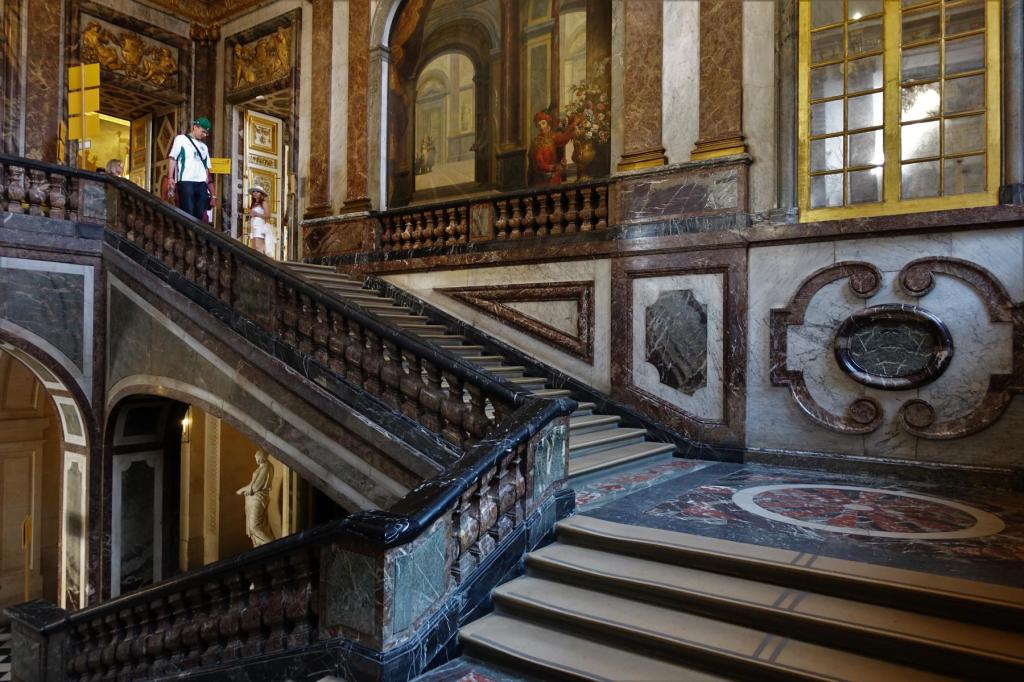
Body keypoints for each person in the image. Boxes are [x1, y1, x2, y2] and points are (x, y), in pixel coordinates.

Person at [167, 117, 216, 221]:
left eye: (206, 133)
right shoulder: (181, 139)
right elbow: (173, 158)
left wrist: (207, 183)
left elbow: (206, 166)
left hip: (201, 184)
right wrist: (170, 177)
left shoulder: (204, 147)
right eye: (203, 131)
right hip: (186, 181)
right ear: (195, 127)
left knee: (200, 213)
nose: (204, 135)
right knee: (188, 212)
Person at [236, 449, 275, 547]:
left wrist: (242, 490)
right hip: (252, 499)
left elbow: (256, 486)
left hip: (258, 499)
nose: (257, 460)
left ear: (263, 457)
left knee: (255, 526)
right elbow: (252, 485)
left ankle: (273, 546)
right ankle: (259, 547)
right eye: (256, 458)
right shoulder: (262, 467)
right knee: (254, 528)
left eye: (258, 458)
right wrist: (244, 489)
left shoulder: (266, 467)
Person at [529, 111, 576, 185]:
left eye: (543, 123)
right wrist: (554, 167)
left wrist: (574, 125)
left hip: (554, 176)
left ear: (547, 124)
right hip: (542, 179)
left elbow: (563, 138)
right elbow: (539, 165)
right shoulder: (536, 143)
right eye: (539, 125)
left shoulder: (552, 137)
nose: (541, 127)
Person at [248, 185, 274, 257]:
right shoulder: (253, 204)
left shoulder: (264, 202)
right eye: (254, 191)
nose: (255, 193)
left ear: (261, 194)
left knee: (259, 248)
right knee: (253, 248)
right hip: (254, 228)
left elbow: (268, 216)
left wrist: (256, 214)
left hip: (260, 228)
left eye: (257, 192)